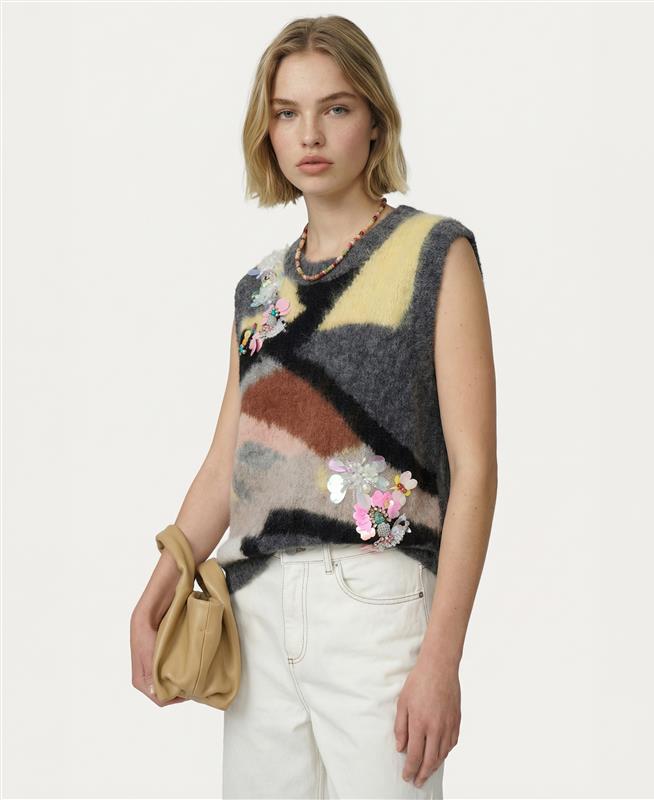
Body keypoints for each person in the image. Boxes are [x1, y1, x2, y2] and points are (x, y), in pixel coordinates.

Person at [130, 14, 497, 800]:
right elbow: (227, 465)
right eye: (287, 112)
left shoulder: (437, 253)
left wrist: (442, 658)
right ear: (266, 131)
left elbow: (475, 471)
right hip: (257, 617)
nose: (311, 134)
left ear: (375, 120)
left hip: (377, 608)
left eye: (335, 107)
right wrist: (160, 583)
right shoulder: (259, 289)